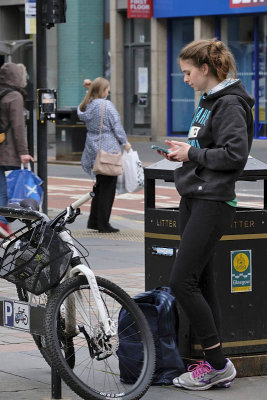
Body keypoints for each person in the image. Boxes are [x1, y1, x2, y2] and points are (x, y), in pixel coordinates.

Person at [157, 39, 254, 390]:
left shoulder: (229, 103)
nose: (184, 79)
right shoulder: (209, 102)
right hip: (195, 197)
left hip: (212, 201)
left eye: (187, 72)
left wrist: (192, 156)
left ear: (205, 69)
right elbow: (207, 149)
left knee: (181, 280)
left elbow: (234, 156)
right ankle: (214, 363)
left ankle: (217, 365)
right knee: (201, 281)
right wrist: (185, 153)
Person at [77, 77, 131, 233]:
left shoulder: (87, 105)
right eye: (107, 88)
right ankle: (103, 223)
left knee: (99, 186)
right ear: (102, 90)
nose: (109, 91)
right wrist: (124, 142)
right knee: (108, 188)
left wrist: (88, 91)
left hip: (92, 147)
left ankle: (94, 221)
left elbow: (80, 111)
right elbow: (116, 125)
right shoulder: (106, 106)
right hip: (107, 148)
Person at [0, 62, 34, 238]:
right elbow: (19, 127)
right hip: (9, 152)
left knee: (1, 188)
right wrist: (23, 152)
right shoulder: (15, 96)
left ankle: (3, 225)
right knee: (9, 192)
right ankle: (4, 225)